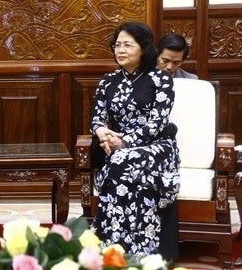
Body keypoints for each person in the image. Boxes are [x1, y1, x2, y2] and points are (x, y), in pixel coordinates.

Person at [89, 22, 180, 261]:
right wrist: (102, 133)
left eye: (128, 45)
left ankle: (127, 247)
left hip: (157, 146)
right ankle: (120, 248)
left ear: (144, 48)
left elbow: (157, 124)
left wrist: (124, 141)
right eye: (117, 45)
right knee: (122, 162)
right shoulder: (107, 81)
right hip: (118, 145)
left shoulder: (160, 79)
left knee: (119, 160)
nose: (120, 50)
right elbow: (97, 119)